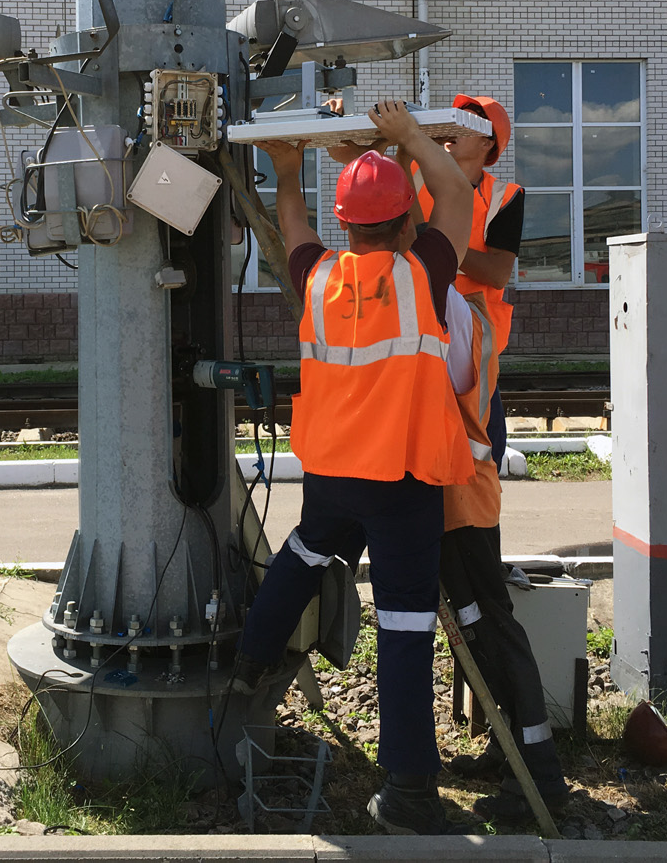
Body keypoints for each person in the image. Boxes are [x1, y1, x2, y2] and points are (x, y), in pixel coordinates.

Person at [231, 99, 476, 836]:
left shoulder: (317, 279)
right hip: (403, 481)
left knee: (304, 553)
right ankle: (407, 790)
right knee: (403, 623)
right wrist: (405, 139)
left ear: (348, 226)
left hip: (335, 474)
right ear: (407, 225)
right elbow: (459, 196)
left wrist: (287, 166)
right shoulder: (424, 273)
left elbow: (293, 231)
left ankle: (247, 667)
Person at [441, 287, 572, 821]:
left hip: (461, 495)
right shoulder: (449, 303)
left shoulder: (445, 307)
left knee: (489, 625)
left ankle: (538, 772)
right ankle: (510, 748)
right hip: (456, 493)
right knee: (478, 626)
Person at [413, 95, 523, 466]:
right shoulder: (414, 175)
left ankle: (477, 516)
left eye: (468, 121)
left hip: (472, 343)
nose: (453, 127)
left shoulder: (505, 197)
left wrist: (438, 246)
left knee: (480, 448)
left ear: (487, 141)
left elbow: (497, 272)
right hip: (418, 329)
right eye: (454, 118)